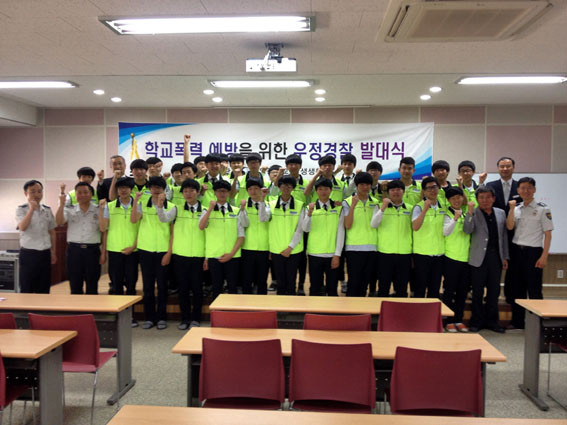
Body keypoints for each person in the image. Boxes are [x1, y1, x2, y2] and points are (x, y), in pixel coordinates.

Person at [157, 178, 205, 330]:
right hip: (180, 255)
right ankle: (185, 319)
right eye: (185, 191)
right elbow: (163, 218)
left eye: (192, 190)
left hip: (198, 254)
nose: (188, 193)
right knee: (183, 288)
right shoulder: (177, 209)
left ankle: (196, 318)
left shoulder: (205, 210)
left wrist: (207, 256)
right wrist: (160, 206)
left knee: (197, 288)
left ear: (198, 192)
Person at [506, 177, 554, 329]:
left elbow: (548, 234)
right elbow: (509, 227)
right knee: (517, 288)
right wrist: (511, 209)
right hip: (516, 252)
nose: (525, 191)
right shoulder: (516, 208)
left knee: (534, 289)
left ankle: (537, 324)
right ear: (518, 190)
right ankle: (517, 322)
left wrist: (544, 256)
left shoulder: (542, 209)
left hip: (533, 253)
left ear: (534, 189)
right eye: (522, 188)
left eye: (529, 188)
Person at [464, 185, 509, 333]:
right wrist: (469, 213)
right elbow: (467, 230)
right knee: (477, 292)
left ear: (493, 198)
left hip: (496, 257)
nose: (485, 200)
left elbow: (503, 236)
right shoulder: (473, 212)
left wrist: (505, 256)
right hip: (478, 257)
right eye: (481, 197)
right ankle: (476, 322)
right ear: (477, 199)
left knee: (494, 291)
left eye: (488, 197)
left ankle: (493, 322)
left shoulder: (501, 213)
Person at [131, 176, 173, 330]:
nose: (156, 190)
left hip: (163, 250)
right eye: (153, 187)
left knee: (162, 286)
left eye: (159, 187)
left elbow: (171, 230)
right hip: (145, 249)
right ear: (149, 189)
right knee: (147, 286)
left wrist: (169, 252)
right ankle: (149, 317)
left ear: (164, 189)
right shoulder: (142, 203)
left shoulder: (172, 206)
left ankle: (161, 318)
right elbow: (134, 220)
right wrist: (135, 201)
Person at [98, 177, 140, 325]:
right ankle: (118, 316)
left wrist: (133, 246)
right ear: (116, 190)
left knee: (131, 285)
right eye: (120, 188)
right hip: (114, 250)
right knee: (116, 285)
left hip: (133, 251)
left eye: (126, 187)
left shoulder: (138, 205)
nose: (123, 190)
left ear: (131, 189)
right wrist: (101, 209)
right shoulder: (109, 206)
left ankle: (131, 317)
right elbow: (103, 229)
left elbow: (141, 229)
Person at [199, 180, 245, 300]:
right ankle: (217, 311)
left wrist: (231, 254)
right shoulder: (206, 211)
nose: (222, 194)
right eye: (219, 191)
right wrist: (210, 209)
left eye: (225, 191)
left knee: (232, 287)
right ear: (214, 193)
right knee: (216, 287)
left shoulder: (236, 211)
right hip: (214, 255)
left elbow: (241, 236)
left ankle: (232, 311)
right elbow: (201, 226)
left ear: (229, 193)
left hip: (233, 256)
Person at [56, 182, 103, 295]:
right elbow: (59, 222)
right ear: (75, 195)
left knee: (92, 284)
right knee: (75, 284)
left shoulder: (98, 209)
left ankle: (92, 306)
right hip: (74, 251)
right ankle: (77, 306)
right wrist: (61, 205)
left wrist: (104, 253)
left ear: (91, 194)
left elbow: (103, 229)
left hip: (92, 251)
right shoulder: (69, 209)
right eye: (79, 193)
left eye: (85, 192)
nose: (82, 195)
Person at [486, 156, 522, 304]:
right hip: (495, 232)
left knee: (513, 265)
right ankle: (490, 295)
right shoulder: (491, 185)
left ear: (513, 168)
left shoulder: (520, 186)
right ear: (498, 168)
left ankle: (510, 296)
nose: (505, 169)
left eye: (508, 166)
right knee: (493, 266)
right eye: (502, 166)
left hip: (516, 232)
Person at [303, 178, 344, 296]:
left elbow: (341, 232)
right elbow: (305, 229)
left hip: (332, 254)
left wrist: (337, 254)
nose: (323, 191)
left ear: (331, 190)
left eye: (326, 189)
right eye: (320, 189)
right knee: (315, 287)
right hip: (315, 253)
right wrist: (309, 214)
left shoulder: (338, 208)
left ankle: (331, 308)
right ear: (316, 191)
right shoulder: (309, 208)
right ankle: (314, 308)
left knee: (332, 288)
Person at [371, 180, 412, 298]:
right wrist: (383, 208)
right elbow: (373, 224)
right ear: (388, 192)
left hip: (404, 253)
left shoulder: (410, 208)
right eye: (392, 190)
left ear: (403, 192)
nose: (396, 192)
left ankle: (399, 309)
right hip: (385, 253)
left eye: (398, 189)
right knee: (383, 286)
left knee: (402, 288)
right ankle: (382, 309)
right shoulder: (380, 206)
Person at [266, 175, 305, 295]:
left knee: (291, 279)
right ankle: (281, 303)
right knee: (280, 280)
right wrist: (262, 201)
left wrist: (290, 247)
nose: (286, 188)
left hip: (294, 249)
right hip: (277, 249)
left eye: (289, 186)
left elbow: (300, 229)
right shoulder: (270, 204)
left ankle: (292, 303)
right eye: (283, 185)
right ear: (279, 187)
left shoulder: (300, 205)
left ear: (293, 188)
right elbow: (263, 219)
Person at [16, 180, 57, 293]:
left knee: (44, 287)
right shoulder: (21, 209)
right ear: (26, 193)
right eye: (32, 191)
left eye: (39, 191)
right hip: (29, 254)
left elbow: (52, 232)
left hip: (45, 253)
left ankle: (42, 305)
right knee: (27, 287)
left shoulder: (47, 210)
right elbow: (22, 227)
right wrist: (31, 210)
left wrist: (53, 251)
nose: (36, 194)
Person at [343, 172, 379, 297]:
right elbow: (347, 225)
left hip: (372, 247)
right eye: (362, 184)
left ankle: (362, 307)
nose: (365, 187)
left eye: (368, 184)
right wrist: (353, 206)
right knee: (353, 281)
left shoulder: (376, 202)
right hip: (354, 247)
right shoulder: (347, 202)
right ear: (356, 185)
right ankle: (350, 307)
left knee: (365, 282)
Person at [441, 187, 471, 332]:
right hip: (450, 257)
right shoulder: (446, 214)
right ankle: (448, 321)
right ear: (448, 201)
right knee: (449, 291)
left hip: (465, 259)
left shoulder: (466, 214)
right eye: (453, 198)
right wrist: (455, 219)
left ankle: (459, 319)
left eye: (459, 197)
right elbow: (445, 232)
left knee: (462, 292)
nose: (457, 200)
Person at [412, 176, 446, 298]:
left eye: (434, 187)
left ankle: (432, 311)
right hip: (422, 254)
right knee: (420, 288)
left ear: (439, 188)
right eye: (428, 188)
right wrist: (425, 210)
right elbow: (415, 227)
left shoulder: (444, 206)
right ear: (424, 191)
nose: (432, 190)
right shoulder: (418, 207)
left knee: (435, 288)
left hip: (439, 254)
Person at [240, 178, 270, 295]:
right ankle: (246, 303)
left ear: (261, 190)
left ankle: (262, 303)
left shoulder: (268, 205)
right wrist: (242, 209)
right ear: (247, 191)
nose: (253, 191)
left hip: (264, 247)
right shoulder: (243, 205)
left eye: (256, 188)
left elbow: (263, 219)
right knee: (247, 279)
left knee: (262, 279)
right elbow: (244, 224)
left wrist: (262, 200)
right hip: (247, 246)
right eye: (250, 189)